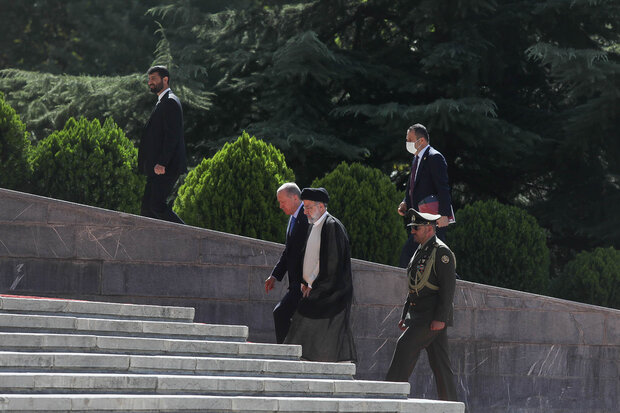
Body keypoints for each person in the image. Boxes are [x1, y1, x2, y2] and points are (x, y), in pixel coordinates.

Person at [385, 208, 457, 402]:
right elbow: (414, 286)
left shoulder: (442, 253)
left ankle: (387, 400)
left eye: (416, 227)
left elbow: (448, 289)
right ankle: (451, 405)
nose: (412, 231)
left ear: (429, 229)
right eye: (412, 227)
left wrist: (440, 319)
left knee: (405, 346)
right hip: (420, 314)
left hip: (430, 316)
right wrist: (405, 315)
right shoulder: (422, 249)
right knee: (441, 364)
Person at [284, 187, 357, 362]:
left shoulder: (332, 227)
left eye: (309, 207)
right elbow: (310, 256)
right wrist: (304, 281)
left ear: (322, 207)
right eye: (304, 207)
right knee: (331, 329)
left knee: (304, 318)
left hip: (331, 290)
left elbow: (331, 263)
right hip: (317, 287)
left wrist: (314, 287)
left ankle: (298, 359)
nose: (305, 211)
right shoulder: (314, 225)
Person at [398, 123, 453, 267]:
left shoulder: (435, 157)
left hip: (433, 219)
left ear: (421, 141)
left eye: (410, 140)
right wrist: (405, 202)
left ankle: (453, 284)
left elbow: (443, 188)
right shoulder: (416, 159)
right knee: (430, 258)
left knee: (411, 255)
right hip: (420, 218)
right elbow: (413, 186)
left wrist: (444, 215)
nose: (407, 143)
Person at [138, 65, 187, 224]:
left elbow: (172, 137)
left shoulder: (170, 102)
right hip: (157, 167)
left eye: (154, 79)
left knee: (157, 205)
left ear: (165, 80)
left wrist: (162, 163)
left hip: (165, 167)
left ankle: (188, 236)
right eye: (149, 79)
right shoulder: (163, 101)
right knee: (146, 208)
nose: (150, 82)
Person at [264, 182, 310, 344]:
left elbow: (310, 253)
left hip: (305, 283)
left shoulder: (306, 218)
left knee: (281, 313)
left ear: (295, 198)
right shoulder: (293, 218)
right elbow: (288, 251)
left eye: (282, 202)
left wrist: (307, 281)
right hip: (296, 283)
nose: (280, 206)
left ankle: (287, 354)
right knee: (291, 318)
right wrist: (275, 275)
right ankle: (293, 351)